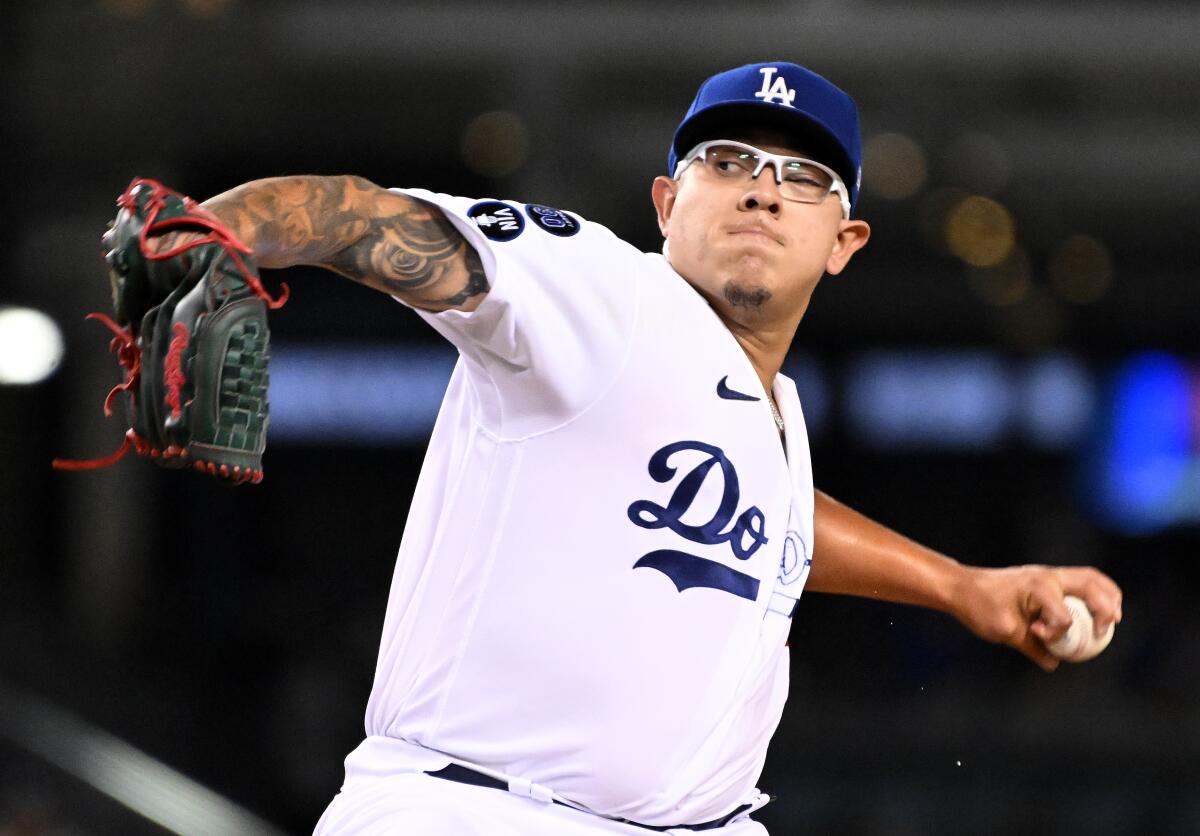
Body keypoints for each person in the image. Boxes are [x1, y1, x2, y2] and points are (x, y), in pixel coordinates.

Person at [161, 61, 1121, 835]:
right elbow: (367, 218)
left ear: (845, 240)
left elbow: (775, 520)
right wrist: (221, 228)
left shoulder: (767, 411)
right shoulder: (604, 292)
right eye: (730, 161)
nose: (763, 192)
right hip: (475, 810)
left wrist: (963, 586)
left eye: (803, 177)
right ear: (666, 203)